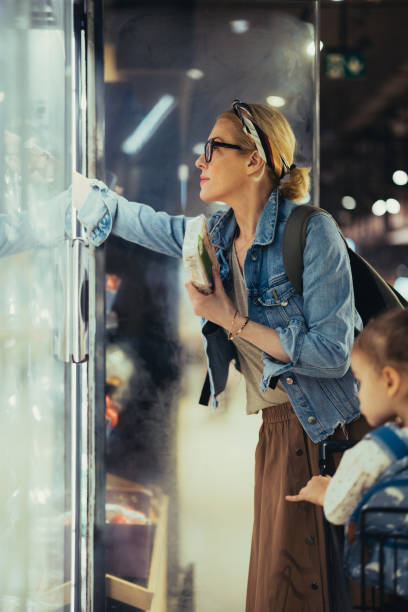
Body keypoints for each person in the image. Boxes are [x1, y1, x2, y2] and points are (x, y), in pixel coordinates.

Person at [74, 100, 366, 612]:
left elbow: (330, 355)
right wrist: (76, 189)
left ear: (255, 160)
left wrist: (230, 318)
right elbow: (150, 224)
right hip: (278, 432)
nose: (200, 161)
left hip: (327, 434)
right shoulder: (219, 233)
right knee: (279, 586)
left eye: (214, 147)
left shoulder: (312, 231)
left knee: (300, 589)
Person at [286, 307, 408, 525]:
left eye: (360, 380)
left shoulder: (375, 451)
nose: (359, 392)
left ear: (390, 381)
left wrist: (325, 491)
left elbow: (338, 509)